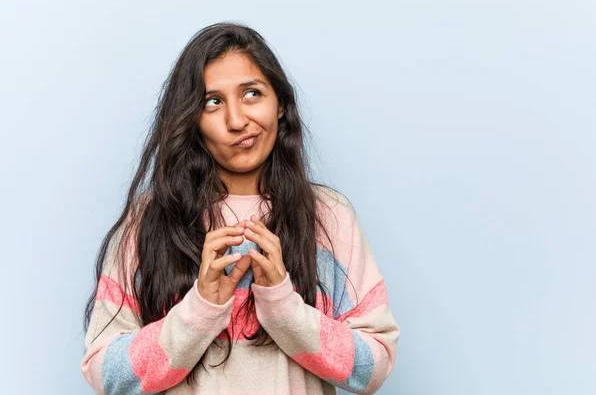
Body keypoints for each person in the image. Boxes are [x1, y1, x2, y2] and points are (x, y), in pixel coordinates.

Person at [81, 21, 400, 395]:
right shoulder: (150, 220)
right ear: (192, 121)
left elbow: (373, 368)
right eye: (212, 102)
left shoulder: (329, 217)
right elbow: (106, 373)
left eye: (252, 93)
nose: (236, 121)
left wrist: (284, 307)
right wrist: (199, 311)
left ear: (280, 104)